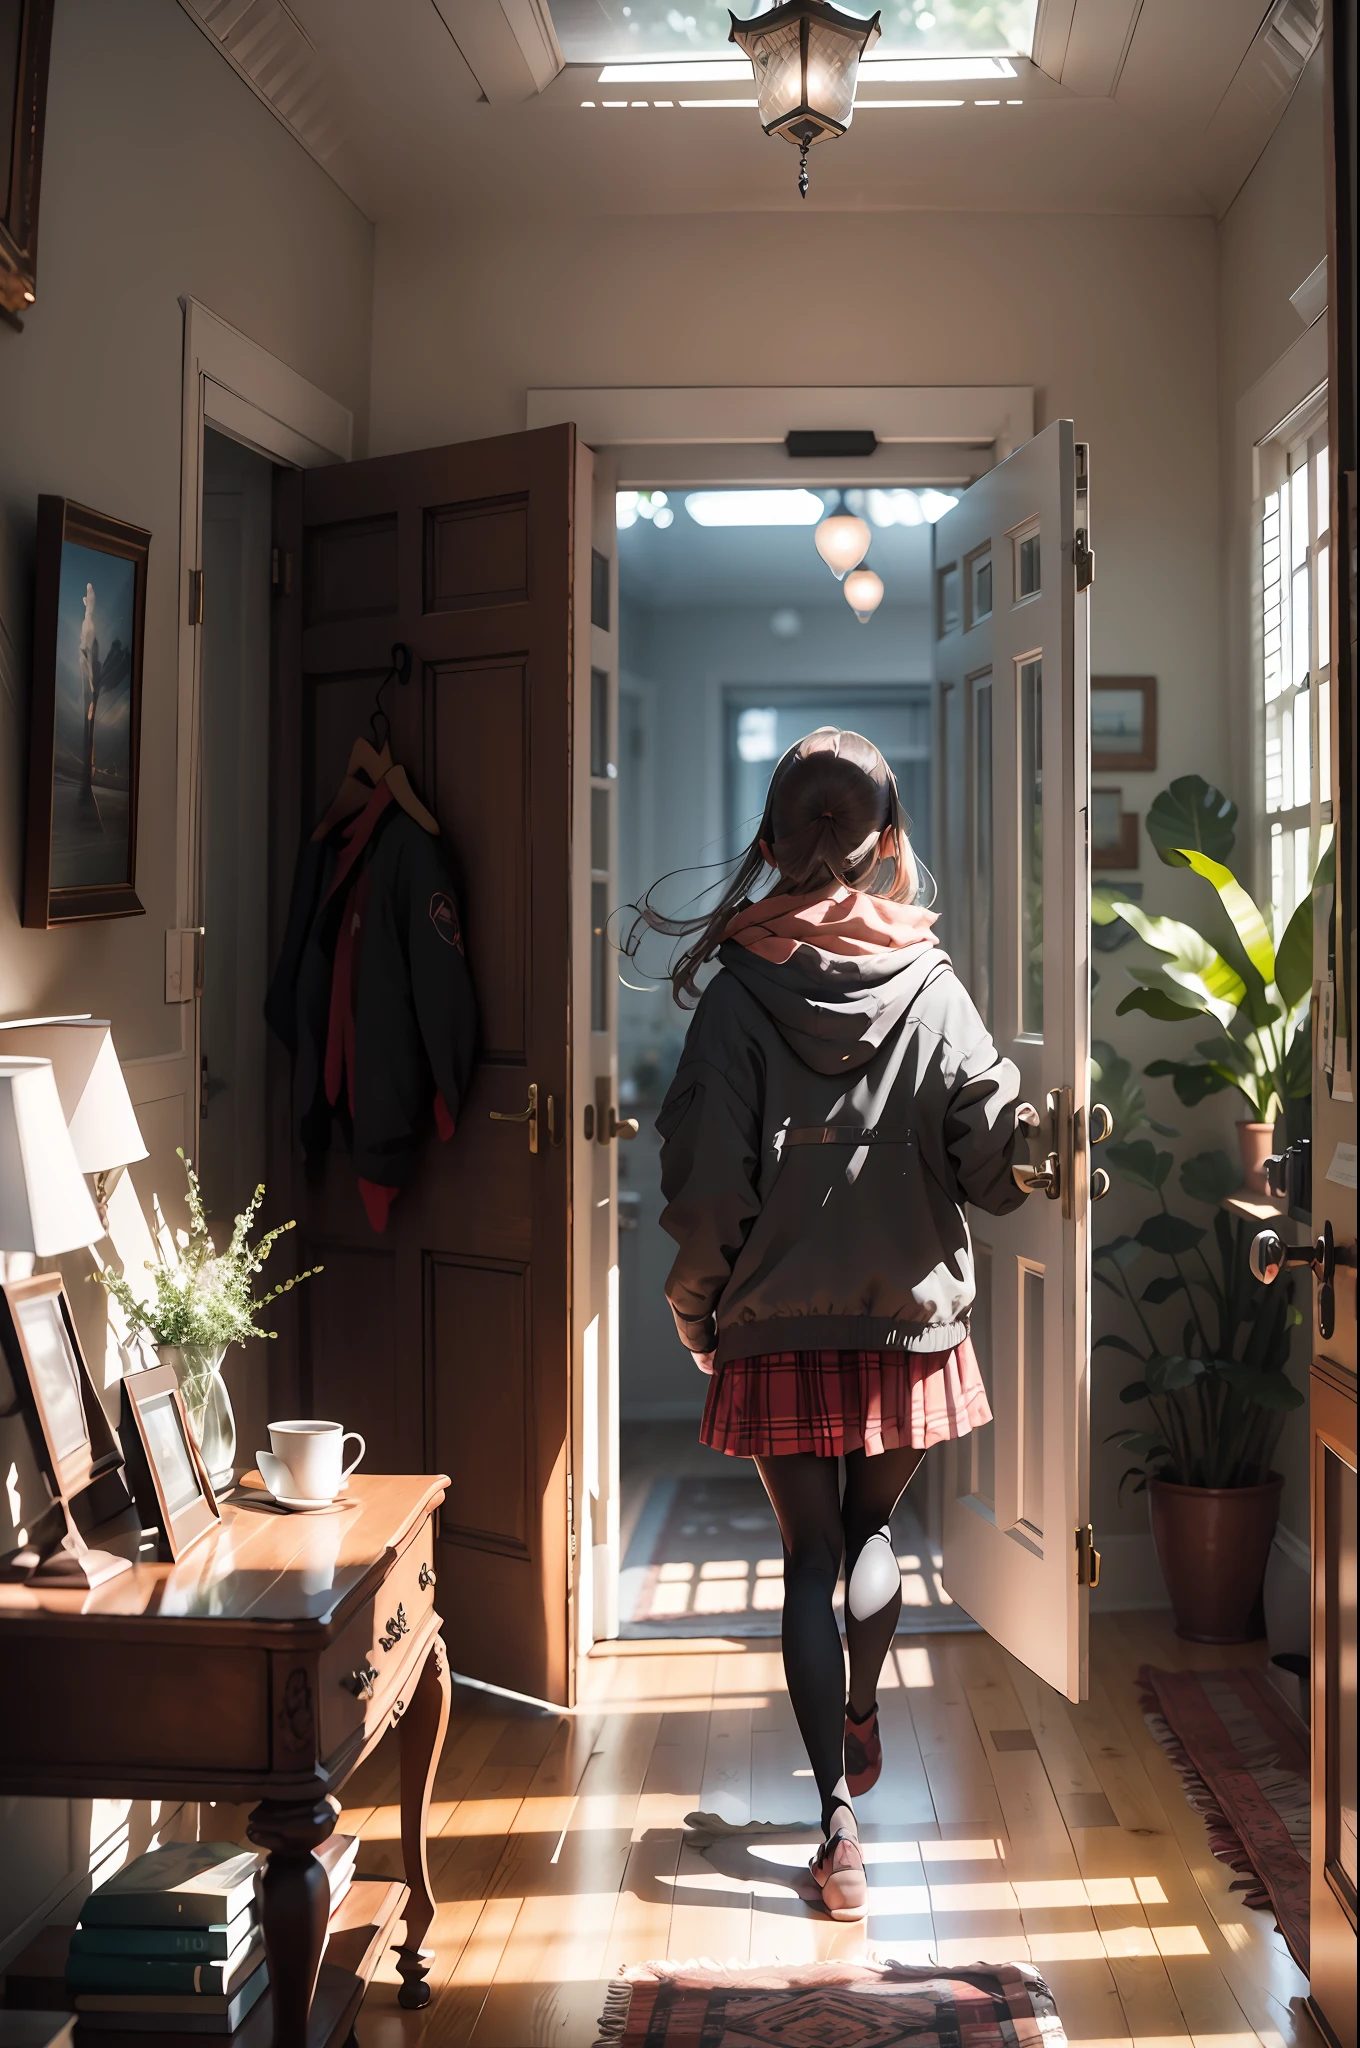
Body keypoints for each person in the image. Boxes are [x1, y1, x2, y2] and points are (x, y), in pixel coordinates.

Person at [645, 728, 1031, 1922]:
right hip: (906, 1325)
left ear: (769, 841)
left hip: (770, 1326)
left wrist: (695, 1313)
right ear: (885, 846)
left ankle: (835, 1825)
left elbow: (708, 1190)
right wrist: (1029, 1115)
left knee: (805, 1557)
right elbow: (993, 1166)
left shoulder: (737, 994)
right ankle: (864, 1711)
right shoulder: (935, 985)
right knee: (874, 1534)